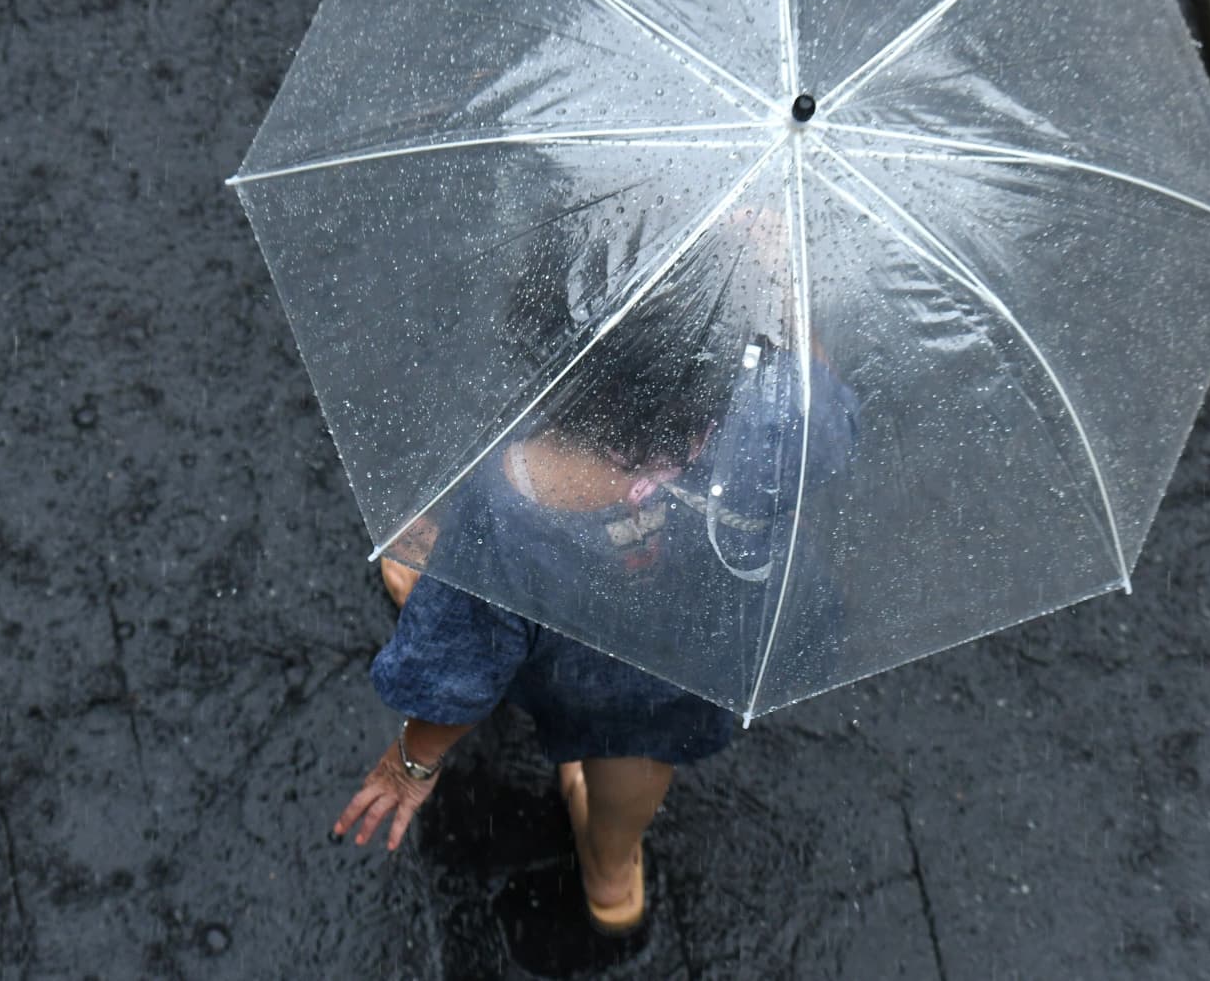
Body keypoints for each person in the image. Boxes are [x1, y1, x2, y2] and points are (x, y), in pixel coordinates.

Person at [330, 209, 858, 936]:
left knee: (480, 599)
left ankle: (432, 571)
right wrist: (787, 286)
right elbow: (822, 418)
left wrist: (411, 764)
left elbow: (461, 664)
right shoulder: (760, 419)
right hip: (688, 658)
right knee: (635, 757)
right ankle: (611, 877)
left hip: (581, 663)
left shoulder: (511, 501)